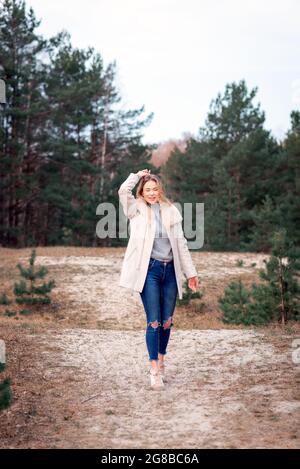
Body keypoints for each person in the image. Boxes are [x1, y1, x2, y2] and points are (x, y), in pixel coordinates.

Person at [118, 169, 199, 389]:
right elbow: (122, 190)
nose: (152, 193)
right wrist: (135, 175)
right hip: (149, 271)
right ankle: (153, 369)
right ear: (142, 193)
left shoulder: (170, 210)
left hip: (171, 271)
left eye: (155, 189)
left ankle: (161, 361)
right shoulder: (135, 209)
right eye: (148, 190)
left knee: (166, 321)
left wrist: (190, 272)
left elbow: (181, 243)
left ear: (159, 190)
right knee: (154, 321)